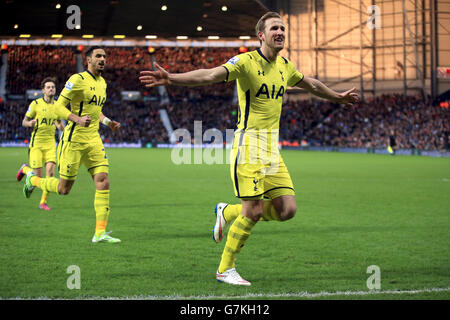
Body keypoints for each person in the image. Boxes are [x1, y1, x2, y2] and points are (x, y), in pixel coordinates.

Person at [139, 11, 359, 285]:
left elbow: (310, 83)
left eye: (282, 28)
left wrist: (336, 97)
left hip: (271, 150)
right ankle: (225, 269)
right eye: (274, 28)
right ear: (261, 35)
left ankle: (227, 212)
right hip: (249, 146)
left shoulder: (285, 66)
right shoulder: (244, 62)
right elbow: (210, 75)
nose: (280, 32)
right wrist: (172, 78)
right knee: (253, 211)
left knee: (287, 210)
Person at [21, 46, 122, 243]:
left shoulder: (103, 83)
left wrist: (108, 122)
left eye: (104, 56)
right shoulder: (77, 80)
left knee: (103, 180)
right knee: (63, 189)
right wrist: (75, 119)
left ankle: (99, 233)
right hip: (73, 141)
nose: (102, 59)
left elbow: (95, 112)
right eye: (98, 56)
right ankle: (32, 180)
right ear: (88, 60)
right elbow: (58, 106)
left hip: (93, 139)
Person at [17, 78, 65, 211]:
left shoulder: (57, 107)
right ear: (43, 90)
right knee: (38, 177)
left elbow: (59, 124)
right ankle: (25, 169)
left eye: (53, 87)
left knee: (50, 173)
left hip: (50, 144)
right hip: (36, 144)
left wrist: (64, 128)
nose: (51, 89)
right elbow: (24, 122)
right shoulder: (35, 104)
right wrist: (29, 123)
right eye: (48, 87)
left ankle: (43, 202)